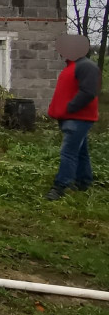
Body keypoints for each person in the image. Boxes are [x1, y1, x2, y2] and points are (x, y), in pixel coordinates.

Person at [45, 33, 101, 201]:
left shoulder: (86, 66)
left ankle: (60, 186)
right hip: (71, 117)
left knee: (68, 152)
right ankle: (83, 181)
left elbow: (89, 92)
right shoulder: (71, 67)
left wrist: (70, 108)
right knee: (81, 152)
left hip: (78, 118)